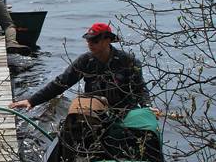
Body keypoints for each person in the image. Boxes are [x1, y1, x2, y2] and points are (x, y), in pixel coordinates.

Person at [10, 22, 149, 114]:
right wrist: (32, 101)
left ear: (107, 40)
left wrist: (147, 107)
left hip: (123, 110)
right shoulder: (85, 61)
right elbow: (61, 83)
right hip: (94, 108)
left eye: (95, 40)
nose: (90, 44)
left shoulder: (128, 61)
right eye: (88, 40)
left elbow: (140, 88)